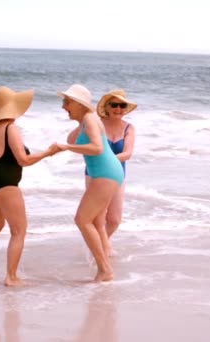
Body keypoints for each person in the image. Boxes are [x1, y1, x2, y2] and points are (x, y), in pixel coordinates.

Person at [0, 86, 59, 287]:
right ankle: (11, 277)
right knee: (19, 230)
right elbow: (23, 159)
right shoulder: (10, 128)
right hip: (5, 180)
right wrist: (48, 152)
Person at [56, 84, 123, 282]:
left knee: (82, 220)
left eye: (66, 102)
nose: (63, 106)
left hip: (105, 172)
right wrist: (72, 134)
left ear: (78, 104)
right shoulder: (85, 121)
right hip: (104, 173)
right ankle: (104, 267)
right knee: (93, 221)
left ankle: (105, 270)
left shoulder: (89, 118)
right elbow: (74, 140)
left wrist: (67, 146)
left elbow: (96, 147)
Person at [67, 90, 137, 257]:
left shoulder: (129, 127)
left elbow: (127, 153)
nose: (118, 109)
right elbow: (71, 141)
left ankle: (98, 246)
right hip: (95, 174)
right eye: (114, 105)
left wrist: (108, 160)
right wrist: (81, 124)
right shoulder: (96, 122)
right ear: (106, 107)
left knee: (114, 220)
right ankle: (101, 253)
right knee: (98, 219)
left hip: (117, 174)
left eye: (122, 105)